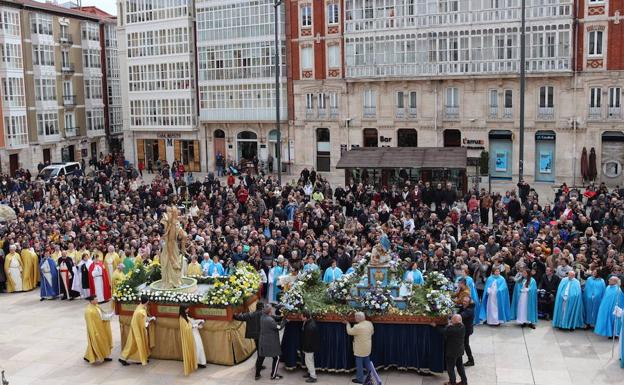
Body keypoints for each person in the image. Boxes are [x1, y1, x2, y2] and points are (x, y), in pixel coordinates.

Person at [119, 295, 155, 366]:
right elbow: (144, 324)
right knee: (132, 344)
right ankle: (123, 358)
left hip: (136, 328)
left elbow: (142, 319)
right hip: (138, 330)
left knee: (137, 344)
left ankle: (140, 358)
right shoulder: (141, 311)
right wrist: (151, 319)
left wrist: (149, 318)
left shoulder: (140, 306)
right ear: (147, 302)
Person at [433, 314, 468, 385]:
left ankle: (452, 382)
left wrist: (435, 326)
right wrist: (450, 324)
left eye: (452, 319)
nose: (450, 320)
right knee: (460, 366)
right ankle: (464, 381)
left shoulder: (452, 329)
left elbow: (442, 331)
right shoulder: (463, 326)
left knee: (450, 368)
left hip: (452, 352)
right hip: (459, 350)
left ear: (455, 321)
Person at [344, 312, 374, 384]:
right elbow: (372, 332)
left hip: (359, 348)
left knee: (359, 364)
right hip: (367, 346)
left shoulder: (357, 327)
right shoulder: (369, 323)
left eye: (355, 317)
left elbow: (349, 332)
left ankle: (360, 379)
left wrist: (347, 324)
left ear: (358, 318)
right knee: (367, 361)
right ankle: (370, 375)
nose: (354, 318)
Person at [256, 305, 285, 381]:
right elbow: (279, 327)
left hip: (262, 341)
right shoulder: (270, 320)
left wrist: (281, 317)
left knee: (261, 357)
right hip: (270, 342)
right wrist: (285, 321)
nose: (272, 311)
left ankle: (257, 374)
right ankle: (274, 375)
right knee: (277, 357)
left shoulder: (262, 316)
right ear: (269, 311)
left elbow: (274, 317)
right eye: (271, 310)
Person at [234, 302, 264, 373]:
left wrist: (233, 314)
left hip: (254, 336)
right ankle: (258, 368)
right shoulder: (264, 314)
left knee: (259, 350)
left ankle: (258, 365)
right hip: (262, 335)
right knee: (261, 353)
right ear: (262, 307)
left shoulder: (250, 314)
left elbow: (239, 317)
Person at [84, 296, 113, 364]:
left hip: (101, 328)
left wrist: (110, 315)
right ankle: (89, 357)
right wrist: (94, 332)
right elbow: (90, 324)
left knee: (103, 342)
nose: (97, 300)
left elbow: (102, 315)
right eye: (96, 299)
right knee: (96, 344)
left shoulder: (96, 306)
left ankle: (104, 355)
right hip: (95, 330)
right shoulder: (89, 311)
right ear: (91, 301)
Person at [178, 305, 206, 376]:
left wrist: (200, 320)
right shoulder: (181, 318)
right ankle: (196, 362)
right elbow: (185, 328)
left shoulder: (187, 316)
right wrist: (194, 326)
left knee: (199, 348)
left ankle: (201, 362)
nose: (188, 309)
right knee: (196, 348)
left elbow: (192, 321)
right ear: (184, 309)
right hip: (191, 335)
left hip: (195, 333)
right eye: (187, 308)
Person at [301, 311, 319, 383]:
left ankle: (313, 377)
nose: (300, 317)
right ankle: (309, 372)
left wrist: (305, 348)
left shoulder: (310, 327)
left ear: (305, 317)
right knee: (310, 361)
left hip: (309, 347)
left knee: (309, 362)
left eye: (302, 316)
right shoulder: (309, 322)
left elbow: (308, 340)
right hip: (311, 346)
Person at [458, 296, 475, 367]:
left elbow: (461, 316)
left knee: (465, 345)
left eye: (465, 302)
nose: (464, 303)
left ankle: (471, 360)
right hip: (465, 329)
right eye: (463, 301)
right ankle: (471, 360)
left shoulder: (469, 310)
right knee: (465, 345)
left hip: (466, 330)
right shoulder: (465, 307)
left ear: (469, 303)